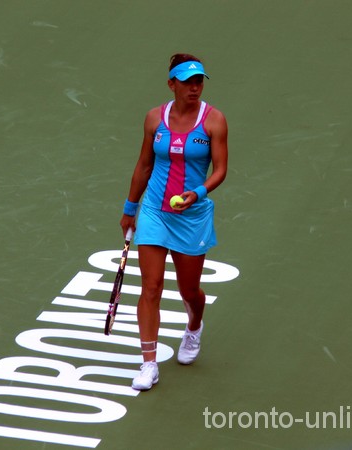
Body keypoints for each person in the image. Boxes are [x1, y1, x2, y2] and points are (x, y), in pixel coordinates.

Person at [119, 53, 228, 391]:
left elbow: (221, 170)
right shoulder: (155, 119)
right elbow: (143, 165)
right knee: (151, 287)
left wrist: (197, 192)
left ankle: (194, 326)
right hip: (154, 210)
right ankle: (149, 363)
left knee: (189, 290)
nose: (195, 87)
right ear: (172, 84)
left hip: (192, 216)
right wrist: (129, 208)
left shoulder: (214, 121)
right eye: (188, 82)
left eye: (199, 82)